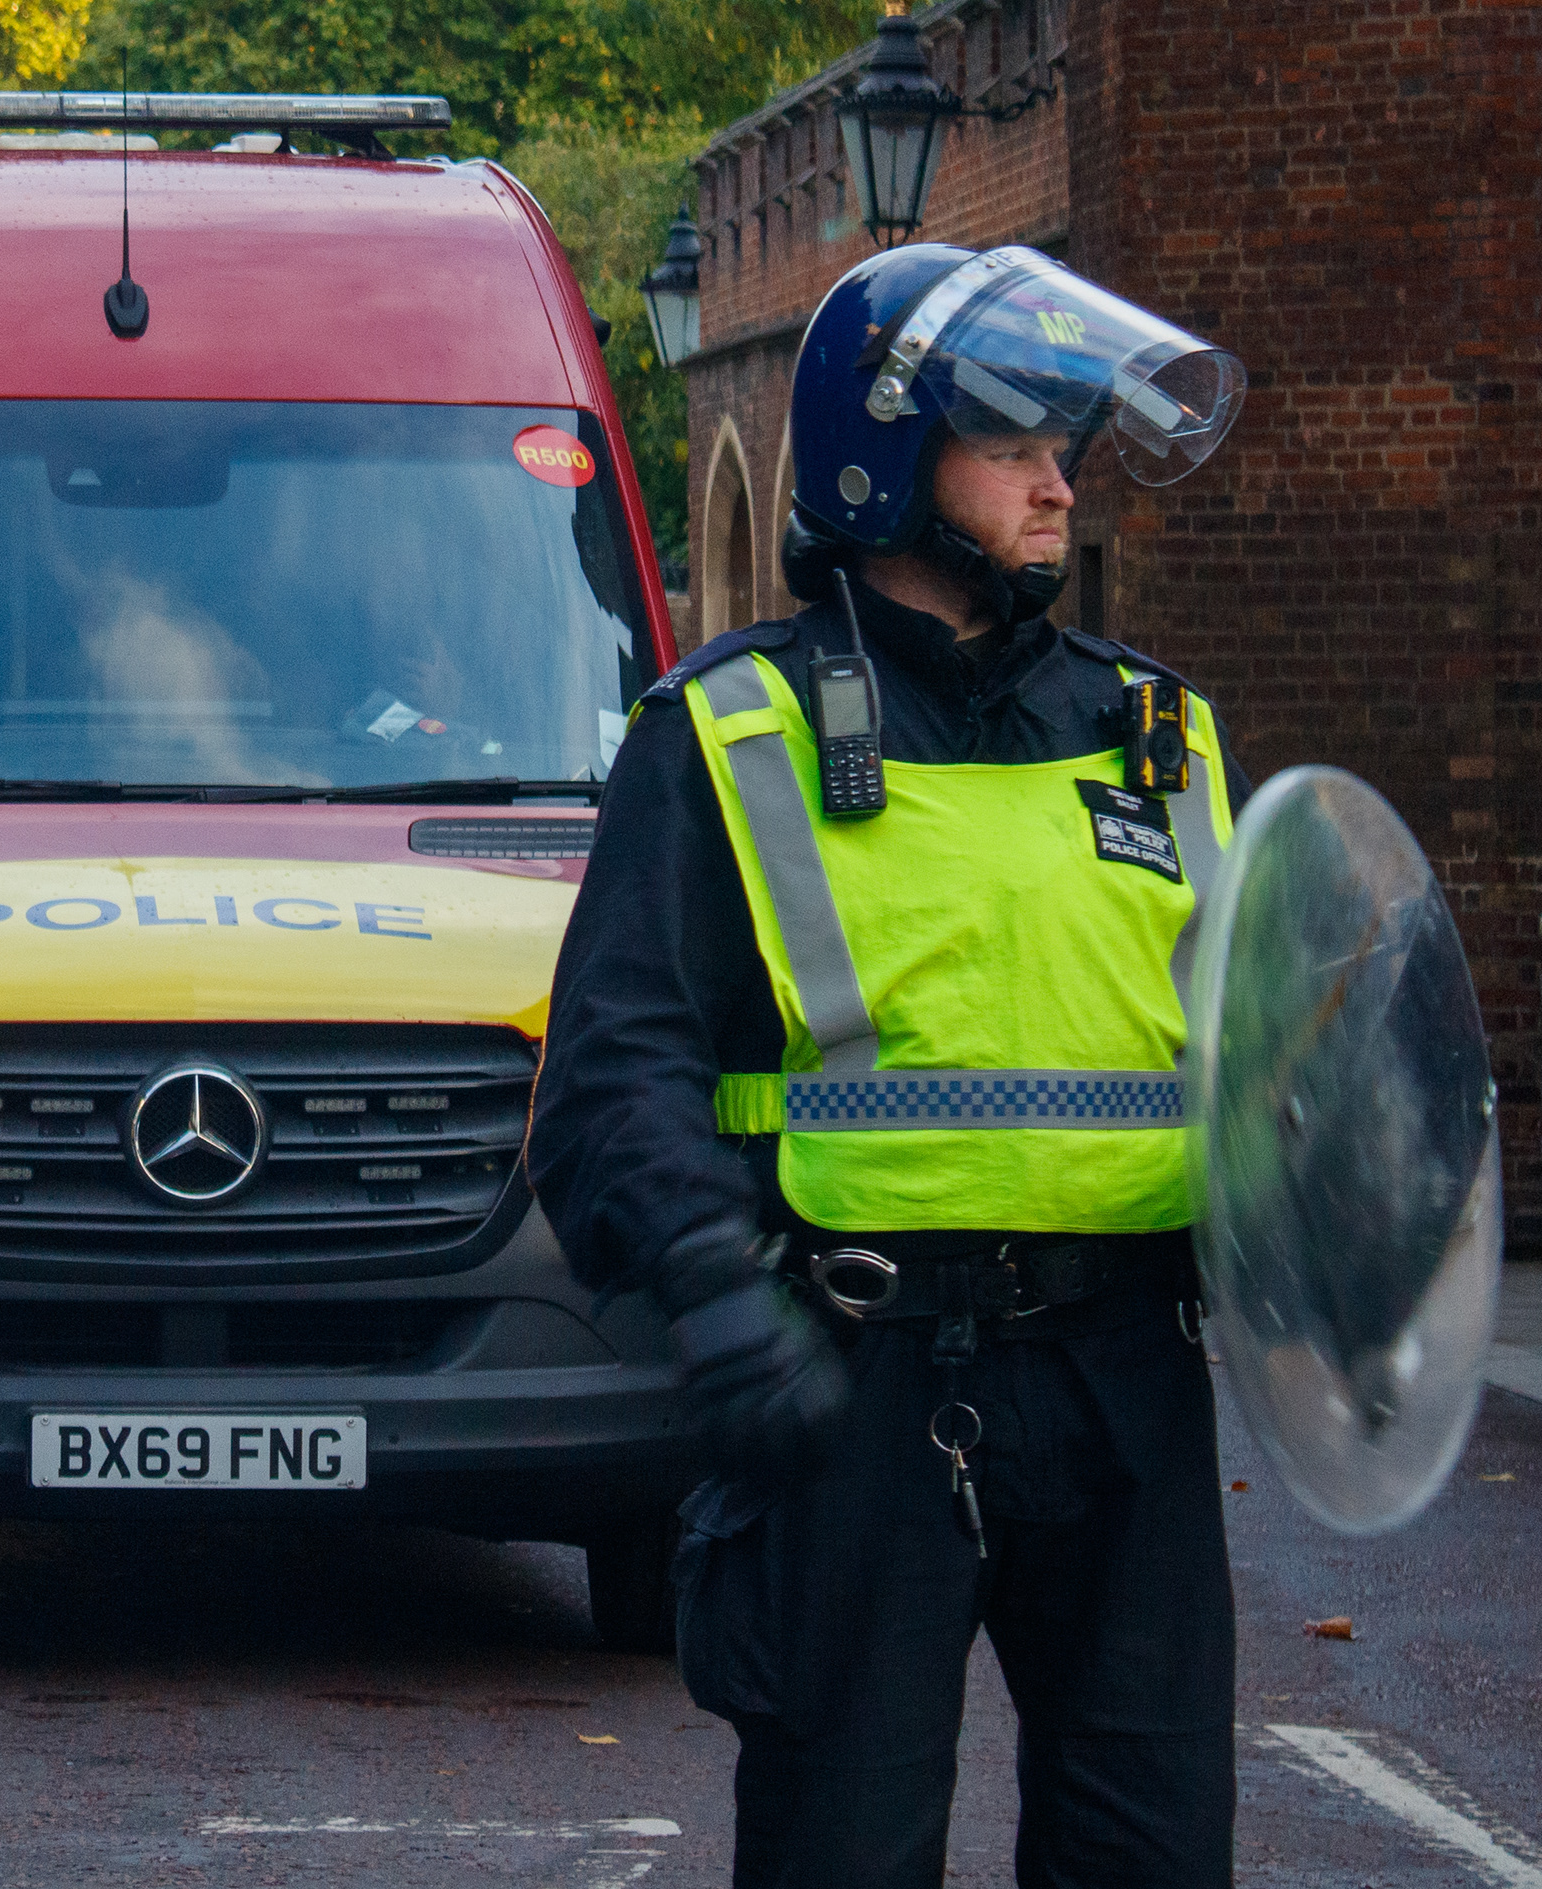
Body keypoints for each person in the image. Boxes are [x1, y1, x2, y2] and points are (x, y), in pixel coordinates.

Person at [528, 243, 1251, 1887]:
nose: (1062, 484)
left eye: (1068, 445)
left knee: (1155, 1859)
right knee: (838, 1853)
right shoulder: (727, 730)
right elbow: (609, 1082)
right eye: (1015, 444)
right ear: (884, 460)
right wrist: (722, 1300)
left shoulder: (1162, 731)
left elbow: (1252, 1060)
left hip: (1128, 1376)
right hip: (855, 1377)